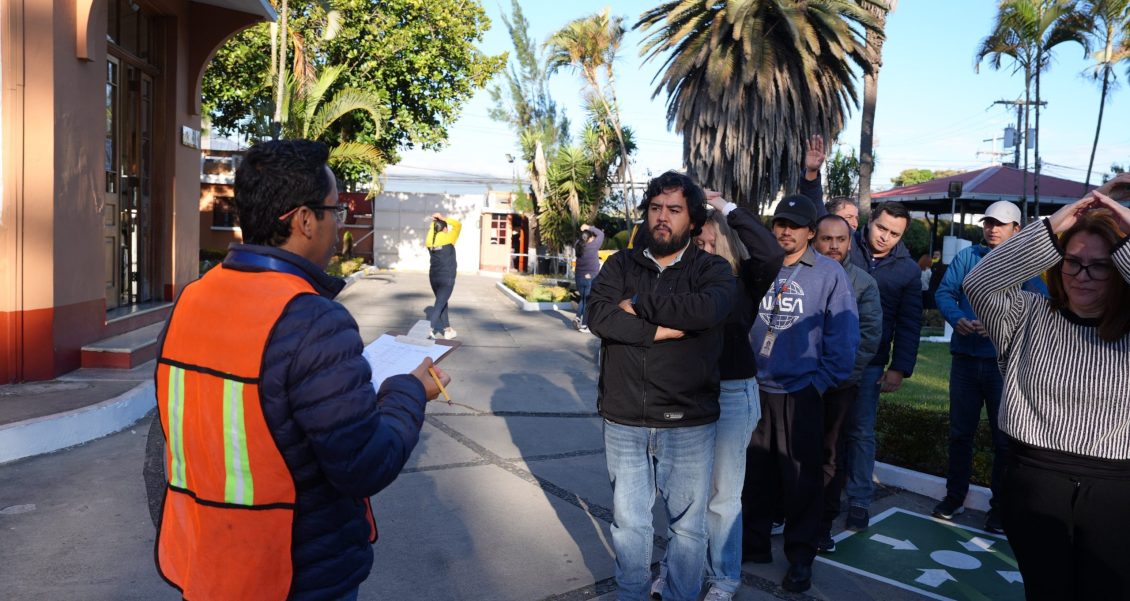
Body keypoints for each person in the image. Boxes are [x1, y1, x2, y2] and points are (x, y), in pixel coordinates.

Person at [146, 140, 449, 600]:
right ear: (306, 220)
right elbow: (364, 464)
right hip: (290, 571)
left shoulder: (192, 299)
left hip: (207, 556)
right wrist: (408, 391)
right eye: (336, 210)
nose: (338, 224)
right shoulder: (311, 319)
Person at [964, 190, 1130, 600]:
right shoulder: (1026, 315)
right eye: (1072, 261)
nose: (1082, 276)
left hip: (1116, 489)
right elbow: (981, 282)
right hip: (1035, 481)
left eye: (1100, 266)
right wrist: (1056, 224)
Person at [587, 171, 736, 601]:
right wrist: (659, 331)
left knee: (688, 528)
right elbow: (599, 316)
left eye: (674, 209)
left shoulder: (713, 270)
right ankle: (631, 595)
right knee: (629, 524)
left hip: (688, 421)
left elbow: (708, 309)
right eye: (655, 208)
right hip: (624, 417)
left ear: (693, 219)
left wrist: (639, 306)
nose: (662, 218)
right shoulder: (620, 264)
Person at [651, 192, 783, 601]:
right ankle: (677, 571)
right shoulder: (682, 277)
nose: (704, 250)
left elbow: (770, 251)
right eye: (698, 243)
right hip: (687, 394)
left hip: (732, 393)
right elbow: (650, 237)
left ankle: (723, 578)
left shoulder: (745, 280)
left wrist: (725, 208)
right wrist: (680, 207)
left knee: (722, 497)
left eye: (712, 243)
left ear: (725, 244)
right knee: (682, 495)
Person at [742, 194, 859, 593]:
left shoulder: (829, 274)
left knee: (801, 482)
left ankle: (800, 558)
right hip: (755, 389)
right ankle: (753, 545)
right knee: (755, 476)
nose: (785, 231)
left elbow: (843, 338)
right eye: (780, 223)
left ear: (811, 232)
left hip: (801, 392)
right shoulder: (760, 268)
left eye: (795, 225)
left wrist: (818, 385)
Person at [932, 200, 1047, 533]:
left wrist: (1001, 323)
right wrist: (957, 318)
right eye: (988, 222)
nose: (992, 228)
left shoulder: (1026, 265)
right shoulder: (968, 257)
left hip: (1003, 366)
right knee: (960, 434)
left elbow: (1042, 305)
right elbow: (944, 293)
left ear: (1017, 229)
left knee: (1003, 440)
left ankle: (999, 508)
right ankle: (954, 497)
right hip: (966, 361)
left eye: (1000, 223)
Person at [843, 201, 923, 530]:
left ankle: (859, 499)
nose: (885, 237)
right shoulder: (844, 247)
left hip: (872, 364)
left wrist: (899, 367)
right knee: (821, 430)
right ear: (870, 221)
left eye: (894, 233)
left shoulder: (908, 270)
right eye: (881, 228)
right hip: (826, 357)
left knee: (861, 432)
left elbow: (909, 322)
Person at [810, 214, 882, 554]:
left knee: (831, 459)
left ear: (850, 242)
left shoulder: (864, 283)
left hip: (839, 388)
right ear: (814, 240)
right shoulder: (797, 275)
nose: (834, 245)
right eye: (826, 239)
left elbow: (867, 339)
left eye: (840, 239)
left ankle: (822, 526)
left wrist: (834, 379)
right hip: (798, 385)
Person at [426, 212, 462, 339]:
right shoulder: (449, 238)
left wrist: (435, 222)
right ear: (445, 229)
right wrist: (443, 218)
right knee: (439, 304)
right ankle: (428, 330)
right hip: (447, 278)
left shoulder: (429, 241)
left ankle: (448, 330)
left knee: (441, 302)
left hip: (433, 277)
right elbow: (458, 225)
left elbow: (433, 230)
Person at [573, 223, 605, 333]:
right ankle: (584, 325)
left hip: (579, 277)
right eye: (593, 237)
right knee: (588, 302)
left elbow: (582, 238)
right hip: (590, 278)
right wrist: (588, 227)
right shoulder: (593, 246)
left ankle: (578, 318)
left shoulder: (578, 246)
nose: (595, 238)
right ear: (590, 238)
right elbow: (600, 234)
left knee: (583, 299)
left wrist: (585, 232)